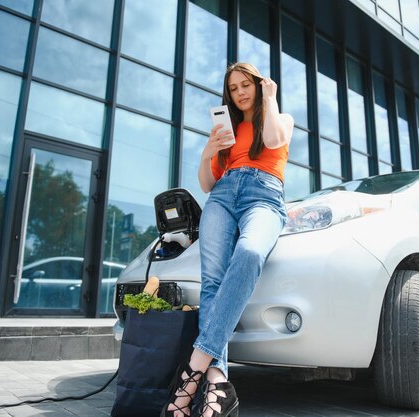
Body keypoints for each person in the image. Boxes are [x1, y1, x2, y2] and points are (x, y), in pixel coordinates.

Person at [162, 62, 293, 417]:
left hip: (263, 195)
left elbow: (273, 141)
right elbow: (207, 184)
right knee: (212, 284)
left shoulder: (281, 119)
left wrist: (271, 97)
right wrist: (207, 152)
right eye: (233, 88)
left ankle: (192, 373)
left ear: (258, 84)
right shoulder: (228, 131)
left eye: (245, 84)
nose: (240, 93)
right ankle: (217, 384)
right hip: (222, 196)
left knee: (250, 252)